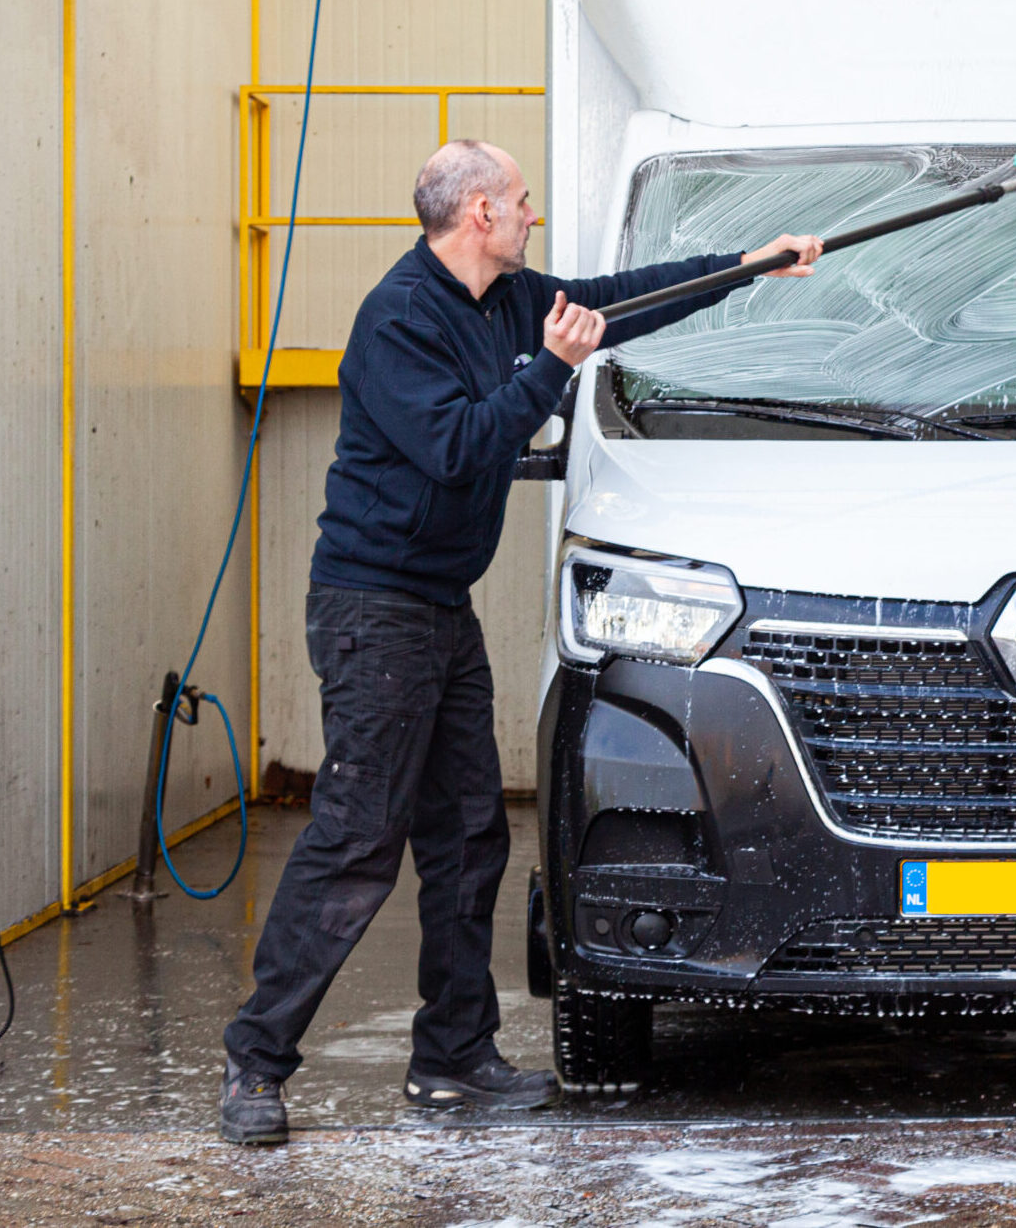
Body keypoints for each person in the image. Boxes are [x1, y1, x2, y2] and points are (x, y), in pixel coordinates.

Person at [220, 139, 822, 1145]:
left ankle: (452, 1058)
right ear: (477, 216)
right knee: (358, 840)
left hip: (438, 611)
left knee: (467, 838)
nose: (531, 213)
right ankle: (255, 1061)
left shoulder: (511, 297)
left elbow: (619, 299)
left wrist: (751, 266)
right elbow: (461, 449)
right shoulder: (398, 322)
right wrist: (554, 368)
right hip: (373, 610)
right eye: (520, 200)